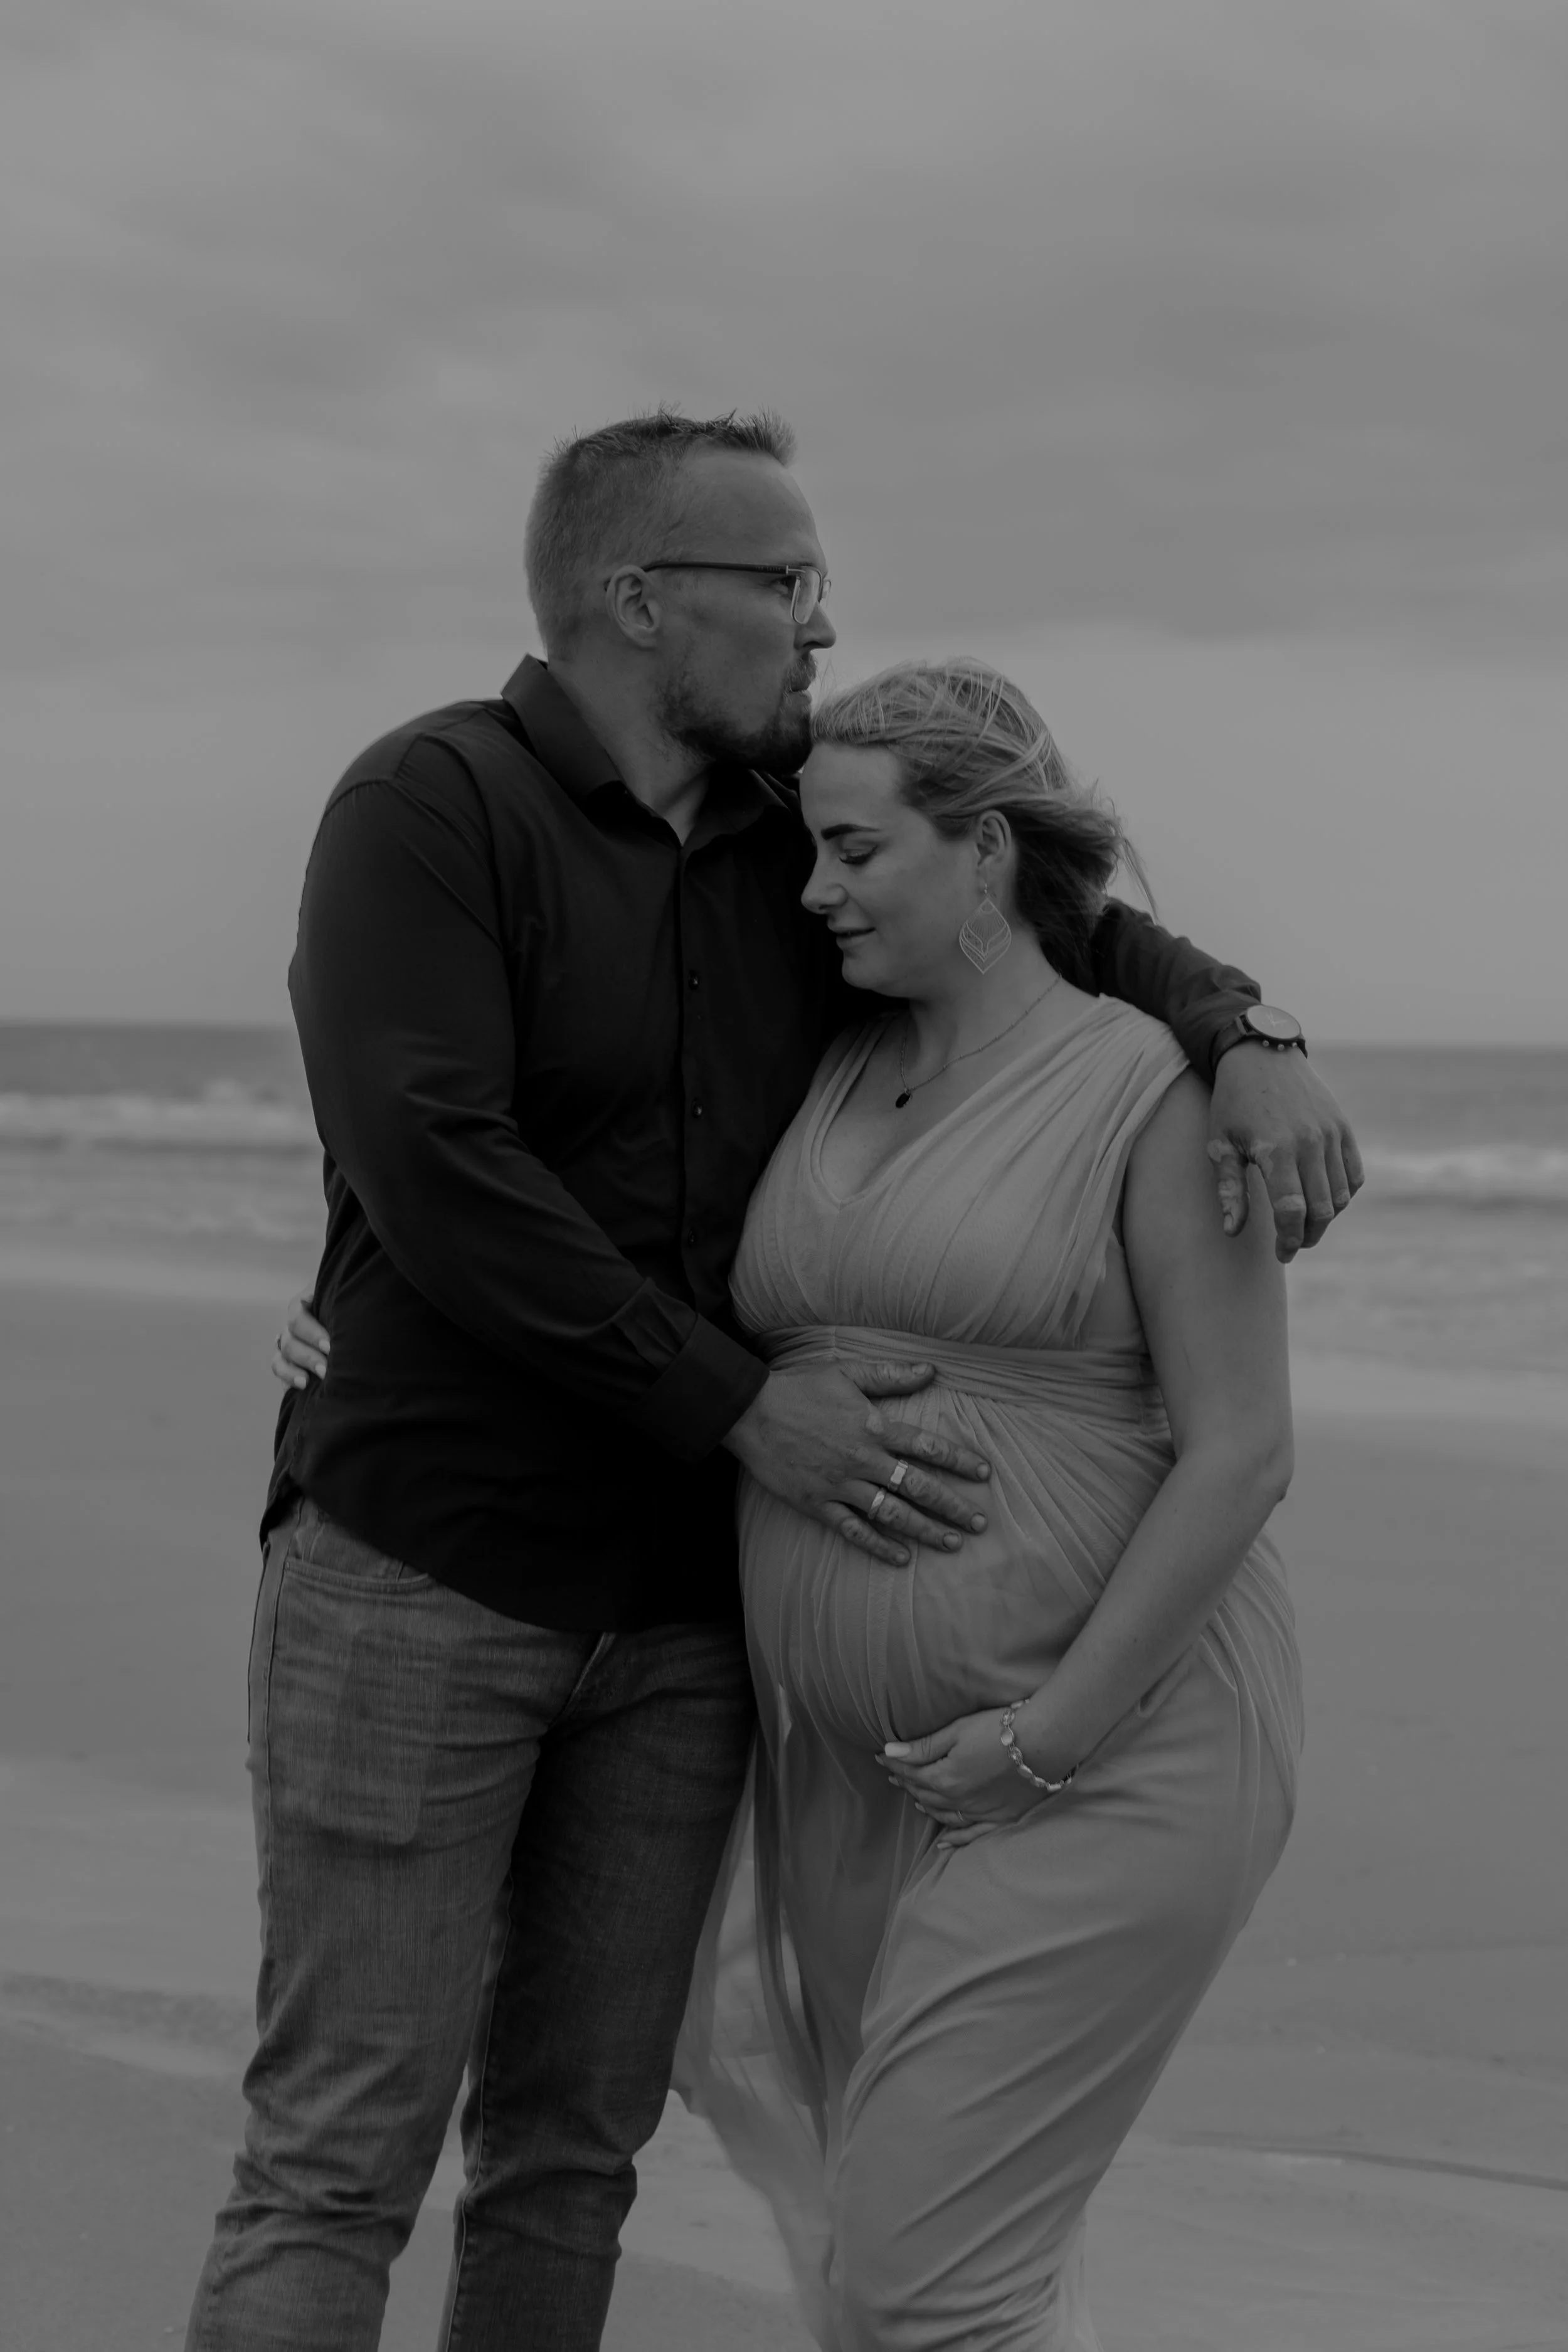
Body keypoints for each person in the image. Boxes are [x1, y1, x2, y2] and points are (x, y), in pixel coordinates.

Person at [221, 406, 1357, 2352]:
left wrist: (1245, 1028)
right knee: (340, 2147)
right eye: (789, 581)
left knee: (575, 2150)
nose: (823, 623)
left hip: (684, 1627)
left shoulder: (782, 847)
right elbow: (436, 1161)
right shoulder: (430, 803)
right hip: (431, 1573)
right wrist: (738, 1404)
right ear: (637, 596)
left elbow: (1048, 918)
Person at [675, 657, 1303, 2351]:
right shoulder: (829, 1060)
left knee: (919, 2283)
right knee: (933, 2277)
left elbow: (1243, 1446)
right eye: (809, 850)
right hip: (859, 1779)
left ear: (989, 850)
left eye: (856, 850)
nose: (814, 891)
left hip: (1099, 1761)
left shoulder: (1154, 1088)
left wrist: (1047, 1738)